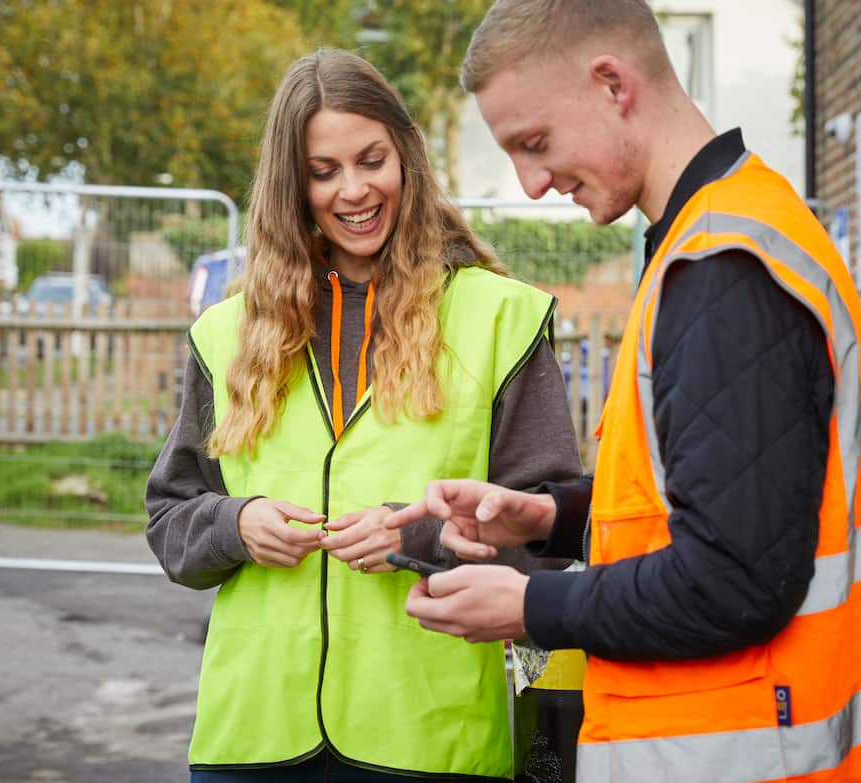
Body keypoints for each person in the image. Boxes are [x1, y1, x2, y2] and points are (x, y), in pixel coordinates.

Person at [385, 2, 861, 781]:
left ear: (612, 84)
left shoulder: (721, 268)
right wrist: (550, 515)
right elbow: (715, 498)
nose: (533, 184)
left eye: (535, 144)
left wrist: (528, 606)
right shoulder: (721, 234)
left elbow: (733, 577)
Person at [145, 49, 584, 782]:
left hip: (428, 740)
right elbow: (170, 521)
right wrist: (234, 523)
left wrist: (422, 535)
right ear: (294, 186)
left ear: (405, 156)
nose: (354, 189)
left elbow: (547, 532)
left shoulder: (497, 317)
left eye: (371, 159)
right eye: (324, 171)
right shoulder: (227, 334)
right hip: (252, 739)